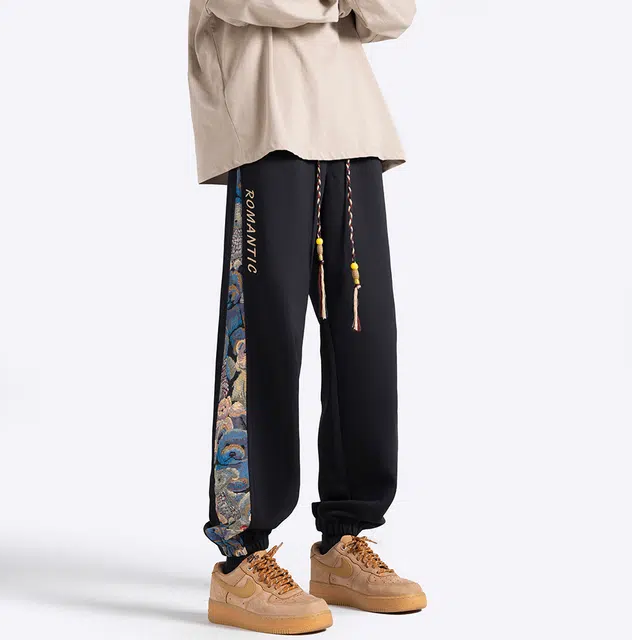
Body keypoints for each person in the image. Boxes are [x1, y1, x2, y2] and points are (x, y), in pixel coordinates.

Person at [188, 0, 426, 633]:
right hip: (268, 122)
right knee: (263, 340)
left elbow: (393, 13)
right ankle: (241, 558)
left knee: (365, 338)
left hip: (353, 130)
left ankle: (345, 538)